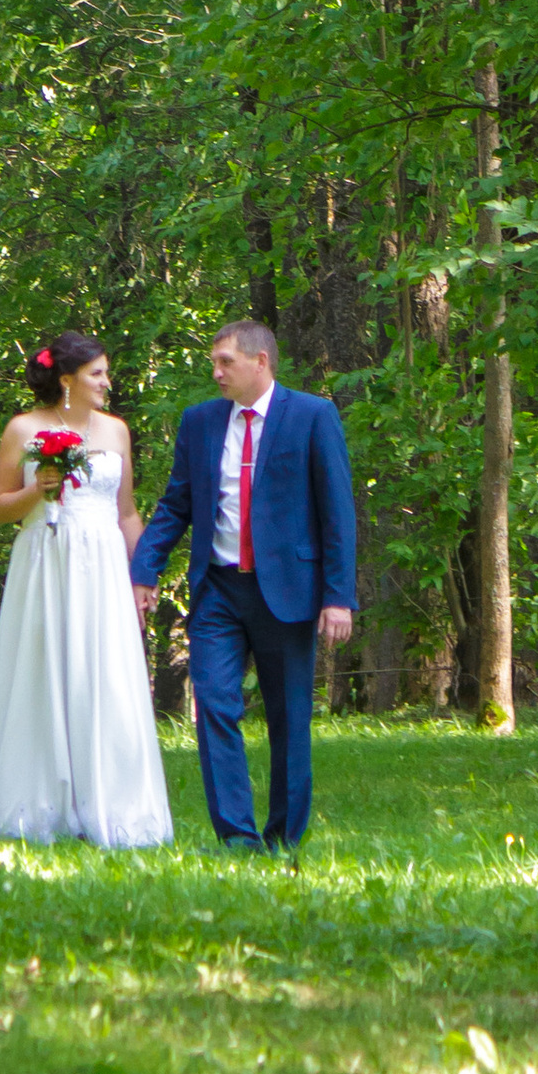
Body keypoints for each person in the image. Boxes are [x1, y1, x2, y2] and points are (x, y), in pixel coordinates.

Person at [132, 318, 355, 853]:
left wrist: (338, 595)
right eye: (214, 362)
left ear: (261, 362)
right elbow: (176, 504)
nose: (216, 373)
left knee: (288, 717)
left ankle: (284, 836)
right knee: (213, 703)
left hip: (289, 592)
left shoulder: (312, 415)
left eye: (225, 362)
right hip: (219, 591)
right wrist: (144, 569)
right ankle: (237, 835)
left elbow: (338, 512)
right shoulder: (201, 423)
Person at [0, 331, 173, 848]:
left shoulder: (117, 432)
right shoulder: (23, 429)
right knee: (44, 673)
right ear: (66, 381)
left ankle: (112, 805)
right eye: (97, 374)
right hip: (45, 562)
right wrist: (39, 487)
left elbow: (125, 512)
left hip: (102, 565)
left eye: (106, 372)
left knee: (104, 676)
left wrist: (142, 574)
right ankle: (38, 806)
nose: (107, 382)